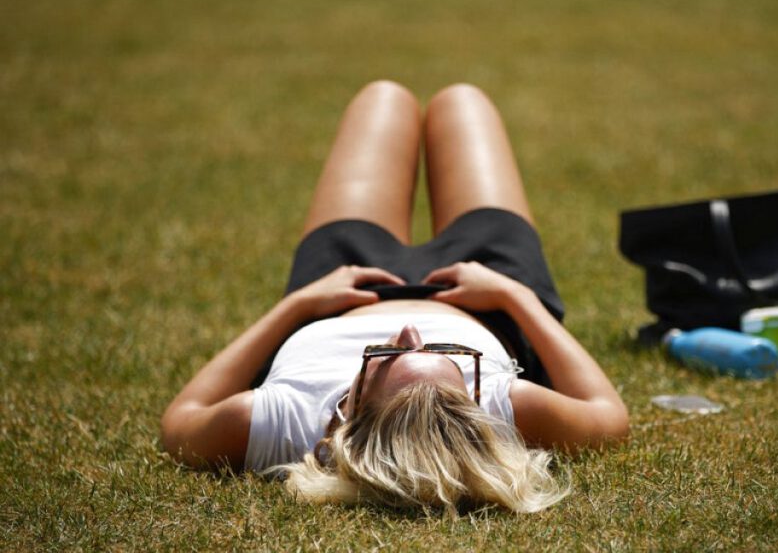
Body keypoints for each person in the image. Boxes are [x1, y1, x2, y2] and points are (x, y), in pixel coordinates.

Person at [160, 81, 629, 514]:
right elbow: (609, 417)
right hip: (487, 296)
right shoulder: (501, 408)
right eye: (447, 355)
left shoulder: (282, 421)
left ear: (352, 408)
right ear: (471, 402)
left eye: (385, 357)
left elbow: (181, 421)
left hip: (341, 292)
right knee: (463, 100)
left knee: (382, 97)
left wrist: (298, 304)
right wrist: (515, 295)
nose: (411, 331)